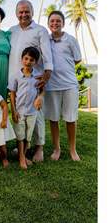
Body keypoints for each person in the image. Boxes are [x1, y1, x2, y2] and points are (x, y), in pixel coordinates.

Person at [7, 0, 53, 163]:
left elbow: (47, 55)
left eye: (27, 11)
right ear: (16, 13)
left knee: (36, 114)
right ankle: (22, 147)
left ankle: (39, 147)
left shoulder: (40, 30)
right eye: (20, 12)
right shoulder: (11, 31)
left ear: (32, 12)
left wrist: (46, 75)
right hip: (16, 79)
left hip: (35, 79)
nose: (24, 14)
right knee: (19, 115)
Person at [44, 11, 83, 161]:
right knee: (53, 119)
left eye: (58, 21)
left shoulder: (71, 40)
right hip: (51, 85)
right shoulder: (45, 40)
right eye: (52, 21)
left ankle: (73, 149)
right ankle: (57, 149)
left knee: (71, 118)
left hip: (69, 85)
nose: (55, 24)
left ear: (63, 23)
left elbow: (77, 59)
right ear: (48, 24)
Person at [9, 47, 44, 168]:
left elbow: (42, 90)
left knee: (28, 137)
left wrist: (40, 97)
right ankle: (21, 159)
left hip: (32, 111)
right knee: (20, 136)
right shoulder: (16, 76)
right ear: (22, 59)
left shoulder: (38, 76)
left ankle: (23, 155)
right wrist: (13, 111)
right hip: (19, 111)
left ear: (36, 62)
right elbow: (12, 94)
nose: (28, 62)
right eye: (26, 58)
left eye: (31, 60)